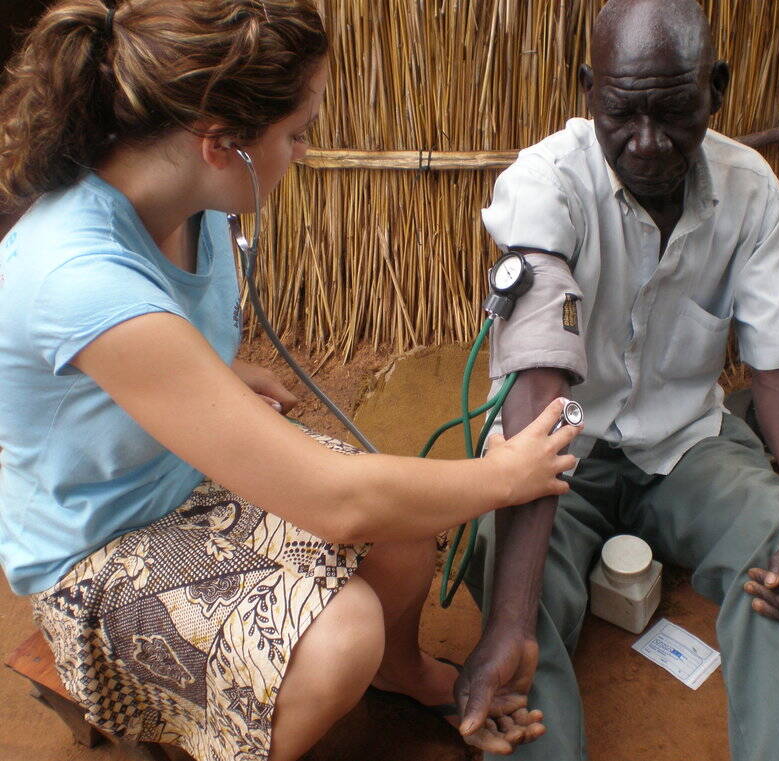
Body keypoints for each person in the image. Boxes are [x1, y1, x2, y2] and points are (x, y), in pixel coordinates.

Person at [0, 2, 581, 760]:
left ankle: (403, 673)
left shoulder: (187, 195)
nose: (303, 151)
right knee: (344, 633)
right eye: (296, 132)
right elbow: (336, 502)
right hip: (97, 547)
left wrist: (215, 376)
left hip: (174, 468)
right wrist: (503, 477)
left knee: (405, 534)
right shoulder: (78, 276)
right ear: (220, 145)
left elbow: (142, 347)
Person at [457, 1, 779, 759]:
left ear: (716, 91)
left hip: (688, 444)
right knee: (511, 584)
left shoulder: (751, 192)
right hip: (560, 449)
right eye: (622, 113)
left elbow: (778, 366)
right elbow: (540, 388)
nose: (646, 142)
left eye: (673, 112)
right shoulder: (547, 183)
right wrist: (510, 622)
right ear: (588, 91)